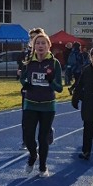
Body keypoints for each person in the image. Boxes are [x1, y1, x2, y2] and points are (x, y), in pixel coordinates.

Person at [20, 33, 63, 177]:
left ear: (49, 45)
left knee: (43, 138)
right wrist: (25, 83)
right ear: (33, 45)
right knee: (28, 137)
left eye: (43, 43)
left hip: (47, 106)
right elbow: (22, 78)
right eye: (37, 43)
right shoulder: (29, 61)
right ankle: (33, 156)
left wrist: (51, 81)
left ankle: (43, 167)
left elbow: (59, 88)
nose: (40, 46)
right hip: (30, 104)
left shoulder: (54, 63)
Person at [17, 27, 47, 150]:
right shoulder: (27, 53)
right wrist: (21, 75)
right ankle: (26, 141)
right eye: (31, 37)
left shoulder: (47, 55)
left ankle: (48, 130)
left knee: (42, 118)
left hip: (43, 91)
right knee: (26, 118)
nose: (33, 40)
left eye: (36, 37)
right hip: (28, 91)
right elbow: (23, 69)